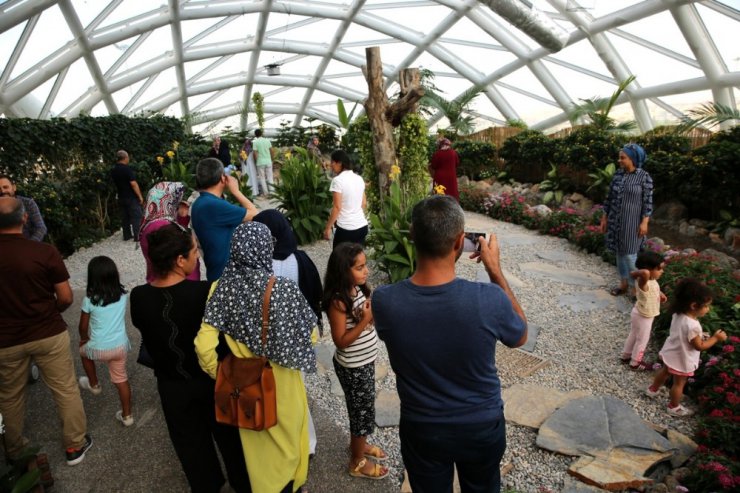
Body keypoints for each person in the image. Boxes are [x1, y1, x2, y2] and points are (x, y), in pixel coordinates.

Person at [372, 195, 527, 493]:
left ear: (412, 236)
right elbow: (519, 336)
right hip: (482, 425)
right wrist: (495, 270)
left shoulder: (385, 302)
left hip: (423, 427)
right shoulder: (489, 299)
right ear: (459, 242)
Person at [195, 222, 317, 493]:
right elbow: (312, 336)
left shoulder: (219, 287)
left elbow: (203, 346)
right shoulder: (284, 289)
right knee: (289, 446)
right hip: (283, 383)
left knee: (259, 451)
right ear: (266, 249)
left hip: (245, 383)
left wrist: (220, 373)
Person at [130, 223, 250, 493]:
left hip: (171, 384)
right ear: (179, 260)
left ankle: (208, 485)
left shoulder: (138, 297)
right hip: (212, 380)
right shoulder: (206, 292)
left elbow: (146, 331)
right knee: (230, 441)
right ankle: (242, 484)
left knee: (190, 446)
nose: (198, 256)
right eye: (194, 252)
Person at [0, 197, 92, 466]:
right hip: (47, 332)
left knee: (10, 396)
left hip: (5, 340)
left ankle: (15, 450)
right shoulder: (44, 252)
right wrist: (48, 312)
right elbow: (65, 297)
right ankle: (75, 445)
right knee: (65, 388)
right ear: (24, 219)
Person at [252, 209, 323, 456]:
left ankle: (274, 443)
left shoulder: (254, 264)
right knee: (297, 393)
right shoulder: (300, 259)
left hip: (261, 341)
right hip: (295, 339)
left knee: (267, 393)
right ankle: (306, 444)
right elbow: (314, 295)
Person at [322, 243, 389, 480]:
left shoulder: (356, 289)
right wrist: (365, 321)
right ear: (343, 270)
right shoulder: (338, 301)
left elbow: (360, 323)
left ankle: (359, 445)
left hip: (364, 363)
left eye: (365, 265)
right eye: (360, 267)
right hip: (353, 366)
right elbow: (340, 340)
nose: (366, 271)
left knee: (364, 411)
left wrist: (367, 318)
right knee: (361, 414)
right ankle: (357, 461)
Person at [646, 278, 727, 417]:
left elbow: (684, 334)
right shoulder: (693, 325)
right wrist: (715, 338)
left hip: (671, 351)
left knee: (665, 371)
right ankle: (674, 406)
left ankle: (652, 390)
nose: (708, 309)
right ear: (694, 305)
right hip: (682, 358)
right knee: (679, 383)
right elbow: (699, 346)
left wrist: (700, 335)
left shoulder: (678, 314)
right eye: (707, 306)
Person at [77, 256, 133, 426]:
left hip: (99, 348)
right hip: (120, 347)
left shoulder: (89, 300)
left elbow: (82, 326)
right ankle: (127, 416)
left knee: (83, 353)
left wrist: (84, 339)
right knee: (121, 380)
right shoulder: (123, 296)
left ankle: (94, 384)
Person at [190, 157, 259, 282]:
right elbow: (255, 214)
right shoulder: (214, 205)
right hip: (227, 276)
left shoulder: (200, 202)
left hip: (216, 271)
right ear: (223, 178)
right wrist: (236, 191)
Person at [600, 143, 653, 297]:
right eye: (620, 157)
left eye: (623, 158)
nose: (619, 160)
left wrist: (645, 222)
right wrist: (604, 217)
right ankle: (623, 284)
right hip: (616, 222)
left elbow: (648, 201)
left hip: (633, 223)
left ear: (633, 159)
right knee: (619, 253)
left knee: (630, 255)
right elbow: (609, 198)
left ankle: (638, 288)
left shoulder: (644, 177)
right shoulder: (618, 175)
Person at [139, 181, 200, 283]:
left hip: (157, 279)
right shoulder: (163, 225)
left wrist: (181, 216)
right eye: (176, 199)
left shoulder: (149, 220)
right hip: (176, 282)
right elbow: (184, 247)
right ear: (169, 200)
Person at [620, 251, 667, 371]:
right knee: (642, 339)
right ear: (649, 270)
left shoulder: (651, 281)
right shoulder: (643, 281)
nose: (662, 271)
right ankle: (635, 363)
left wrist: (660, 294)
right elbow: (644, 272)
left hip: (639, 312)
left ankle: (626, 355)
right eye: (659, 268)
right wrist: (635, 273)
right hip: (644, 316)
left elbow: (653, 286)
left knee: (634, 334)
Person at [323, 149, 368, 248]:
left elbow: (337, 207)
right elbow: (364, 203)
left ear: (339, 163)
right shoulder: (359, 178)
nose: (331, 165)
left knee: (339, 261)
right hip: (362, 227)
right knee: (355, 260)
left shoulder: (337, 181)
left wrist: (328, 228)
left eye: (332, 162)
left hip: (346, 230)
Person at [0, 174, 47, 241]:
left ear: (14, 187)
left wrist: (29, 245)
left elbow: (41, 228)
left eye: (5, 187)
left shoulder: (28, 203)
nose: (3, 191)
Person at [111, 150, 145, 242]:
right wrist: (140, 196)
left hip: (121, 196)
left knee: (125, 217)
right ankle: (138, 236)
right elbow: (133, 183)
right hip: (131, 197)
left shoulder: (114, 170)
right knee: (136, 216)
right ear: (125, 158)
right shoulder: (127, 169)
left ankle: (127, 235)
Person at [252, 129, 275, 197]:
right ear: (261, 133)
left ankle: (266, 193)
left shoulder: (255, 142)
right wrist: (272, 159)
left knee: (262, 178)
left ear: (255, 135)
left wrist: (256, 162)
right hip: (268, 161)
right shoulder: (267, 140)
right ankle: (272, 193)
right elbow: (271, 151)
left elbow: (255, 153)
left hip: (260, 162)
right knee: (270, 177)